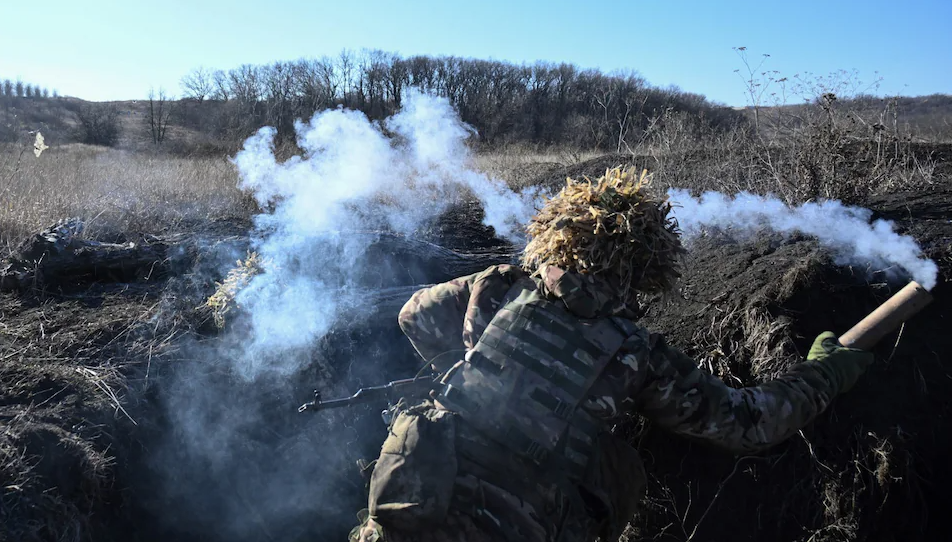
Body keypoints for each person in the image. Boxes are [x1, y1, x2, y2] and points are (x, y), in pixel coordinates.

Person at [350, 166, 874, 542]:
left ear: (557, 235)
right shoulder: (638, 352)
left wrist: (466, 370)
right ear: (647, 270)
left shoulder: (500, 285)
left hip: (411, 500)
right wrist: (825, 372)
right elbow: (748, 423)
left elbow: (414, 316)